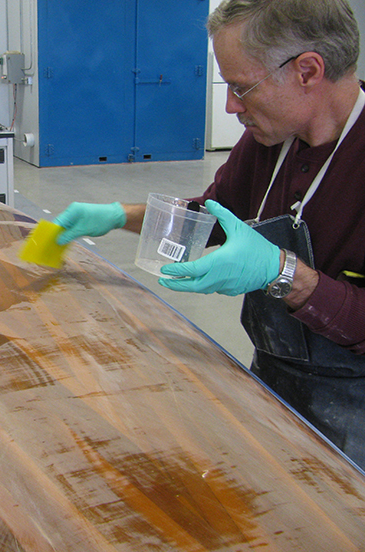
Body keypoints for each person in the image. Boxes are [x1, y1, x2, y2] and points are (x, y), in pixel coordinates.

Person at [54, 0, 365, 469]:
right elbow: (215, 216)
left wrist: (284, 274)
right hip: (275, 378)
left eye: (243, 88)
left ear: (307, 71)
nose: (230, 106)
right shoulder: (272, 137)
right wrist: (120, 215)